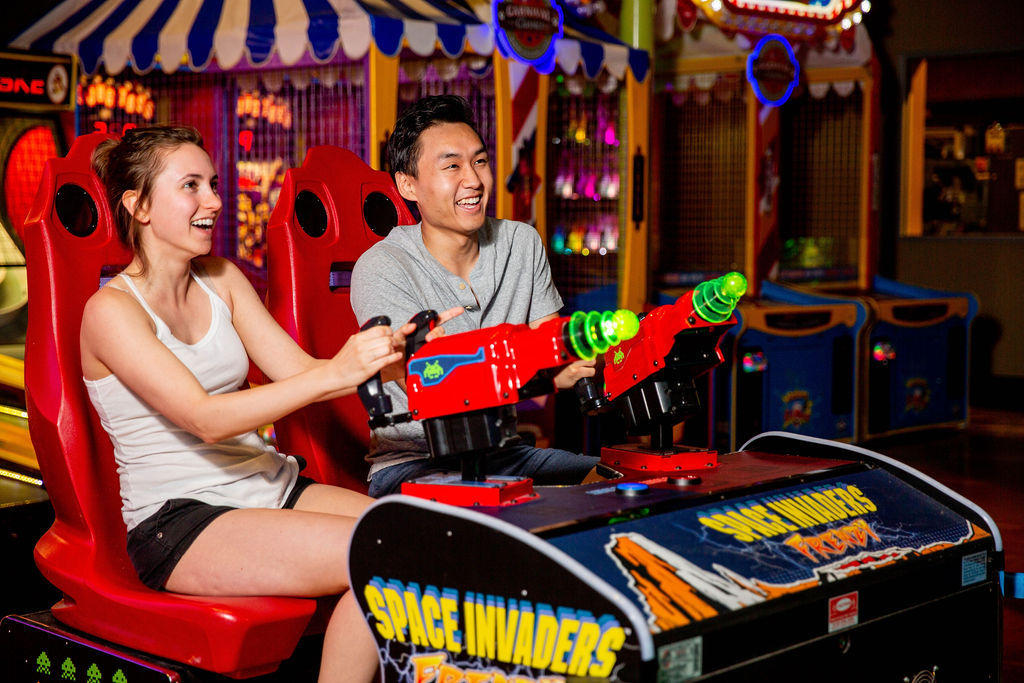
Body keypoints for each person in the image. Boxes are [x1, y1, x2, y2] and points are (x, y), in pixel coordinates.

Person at [81, 125, 402, 682]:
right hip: (181, 518)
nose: (214, 201)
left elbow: (304, 373)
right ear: (139, 205)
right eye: (191, 186)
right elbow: (205, 419)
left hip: (272, 485)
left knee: (428, 542)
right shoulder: (110, 312)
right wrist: (341, 371)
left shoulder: (222, 279)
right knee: (378, 553)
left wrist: (389, 358)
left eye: (212, 183)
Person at [351, 94, 601, 498]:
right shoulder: (382, 267)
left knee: (622, 486)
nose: (474, 180)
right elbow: (437, 378)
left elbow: (553, 347)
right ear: (408, 185)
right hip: (415, 464)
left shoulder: (521, 242)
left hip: (504, 453)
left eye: (480, 161)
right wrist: (545, 373)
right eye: (452, 166)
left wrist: (583, 355)